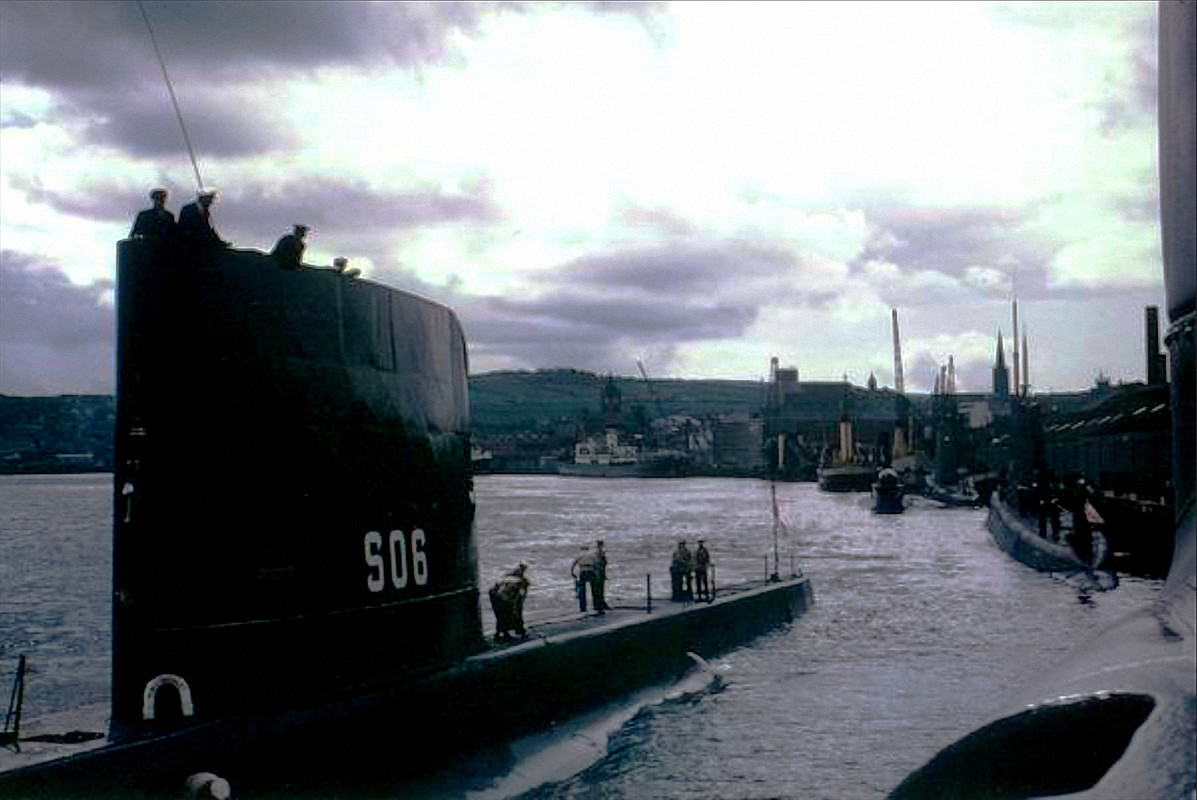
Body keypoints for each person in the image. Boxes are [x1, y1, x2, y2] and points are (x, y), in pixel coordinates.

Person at [488, 563, 529, 642]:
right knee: (502, 615)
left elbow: (519, 599)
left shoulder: (519, 580)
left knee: (512, 613)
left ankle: (517, 630)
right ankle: (501, 634)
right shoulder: (513, 582)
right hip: (497, 596)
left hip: (502, 595)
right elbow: (502, 595)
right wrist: (512, 604)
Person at [571, 544, 598, 613]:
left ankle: (583, 607)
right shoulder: (592, 555)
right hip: (591, 571)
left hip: (583, 571)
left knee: (582, 590)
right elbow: (596, 564)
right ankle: (595, 605)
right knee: (594, 589)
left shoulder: (579, 555)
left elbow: (573, 564)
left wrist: (572, 573)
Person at [593, 539, 609, 613]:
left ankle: (600, 603)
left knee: (599, 588)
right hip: (599, 572)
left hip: (600, 572)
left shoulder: (598, 552)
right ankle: (600, 603)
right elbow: (601, 562)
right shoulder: (599, 552)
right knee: (599, 588)